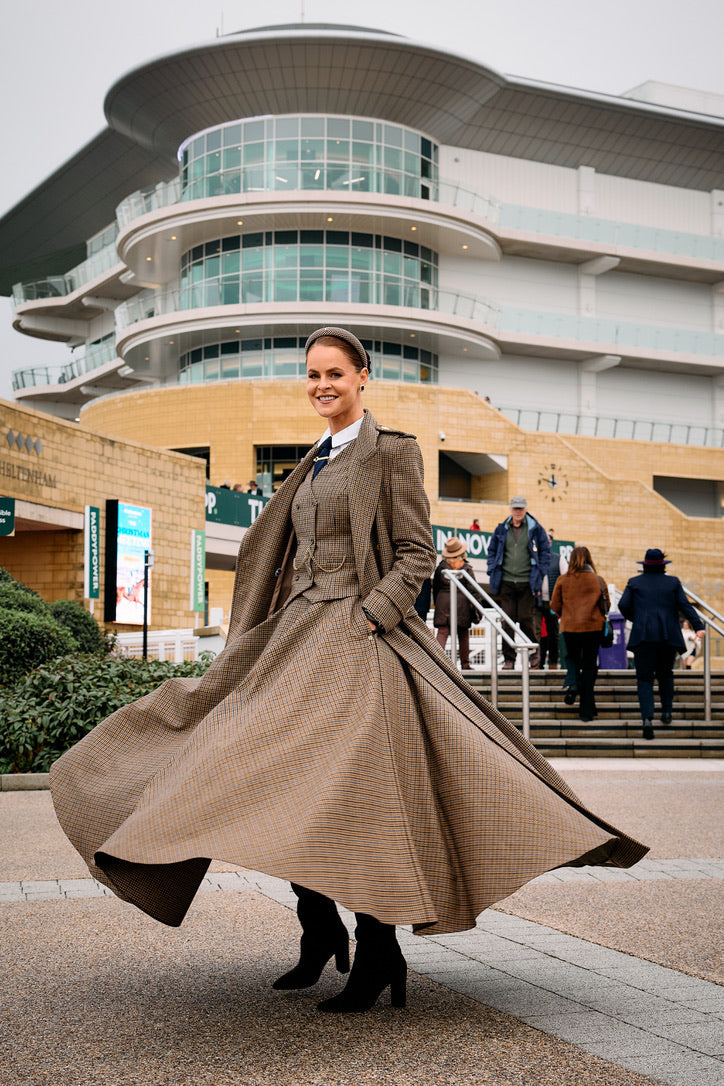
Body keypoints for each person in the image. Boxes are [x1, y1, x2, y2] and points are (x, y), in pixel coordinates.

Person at [50, 326, 647, 1016]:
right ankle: (319, 928)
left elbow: (416, 554)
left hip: (360, 642)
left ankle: (378, 951)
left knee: (355, 795)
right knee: (268, 777)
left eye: (334, 373)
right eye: (312, 374)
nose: (322, 385)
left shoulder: (391, 452)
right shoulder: (312, 463)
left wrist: (371, 615)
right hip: (296, 636)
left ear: (363, 376)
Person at [618, 549, 705, 739]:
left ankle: (647, 719)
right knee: (666, 675)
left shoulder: (634, 582)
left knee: (644, 678)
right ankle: (666, 712)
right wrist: (698, 626)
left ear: (645, 565)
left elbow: (623, 605)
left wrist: (637, 619)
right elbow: (685, 605)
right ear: (663, 566)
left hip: (643, 637)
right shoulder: (673, 582)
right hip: (667, 637)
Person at [487, 497, 550, 669]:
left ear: (525, 509)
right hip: (506, 581)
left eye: (521, 509)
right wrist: (492, 567)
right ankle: (509, 659)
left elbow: (545, 553)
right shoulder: (501, 529)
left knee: (525, 619)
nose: (518, 512)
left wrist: (540, 573)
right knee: (507, 621)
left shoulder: (536, 529)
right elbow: (492, 550)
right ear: (510, 509)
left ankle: (534, 651)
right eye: (515, 508)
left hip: (527, 582)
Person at [550, 546, 608, 722]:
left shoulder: (562, 580)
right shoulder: (598, 580)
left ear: (572, 560)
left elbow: (554, 605)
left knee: (573, 660)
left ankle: (574, 684)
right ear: (589, 559)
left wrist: (566, 614)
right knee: (589, 666)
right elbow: (606, 606)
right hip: (593, 628)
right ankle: (587, 710)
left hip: (570, 628)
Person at [432, 537, 483, 670]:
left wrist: (437, 604)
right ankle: (465, 664)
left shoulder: (441, 568)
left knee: (442, 632)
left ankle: (437, 663)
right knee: (463, 634)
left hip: (443, 602)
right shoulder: (466, 569)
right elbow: (473, 589)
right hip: (462, 604)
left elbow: (435, 588)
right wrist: (477, 608)